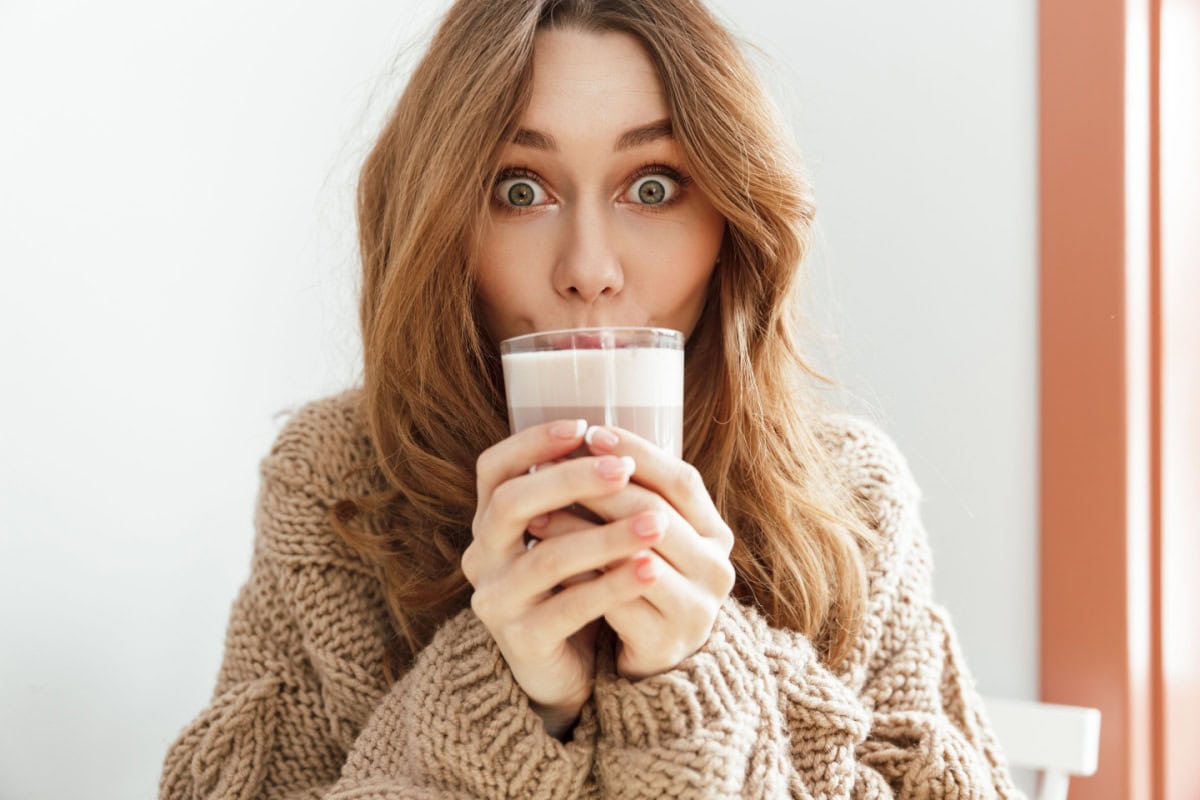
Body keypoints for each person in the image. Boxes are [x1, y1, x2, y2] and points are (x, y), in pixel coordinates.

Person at [160, 0, 1026, 797]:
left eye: (652, 187)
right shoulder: (339, 482)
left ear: (735, 222)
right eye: (519, 190)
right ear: (439, 225)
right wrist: (504, 698)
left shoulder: (850, 505)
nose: (589, 270)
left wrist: (693, 682)